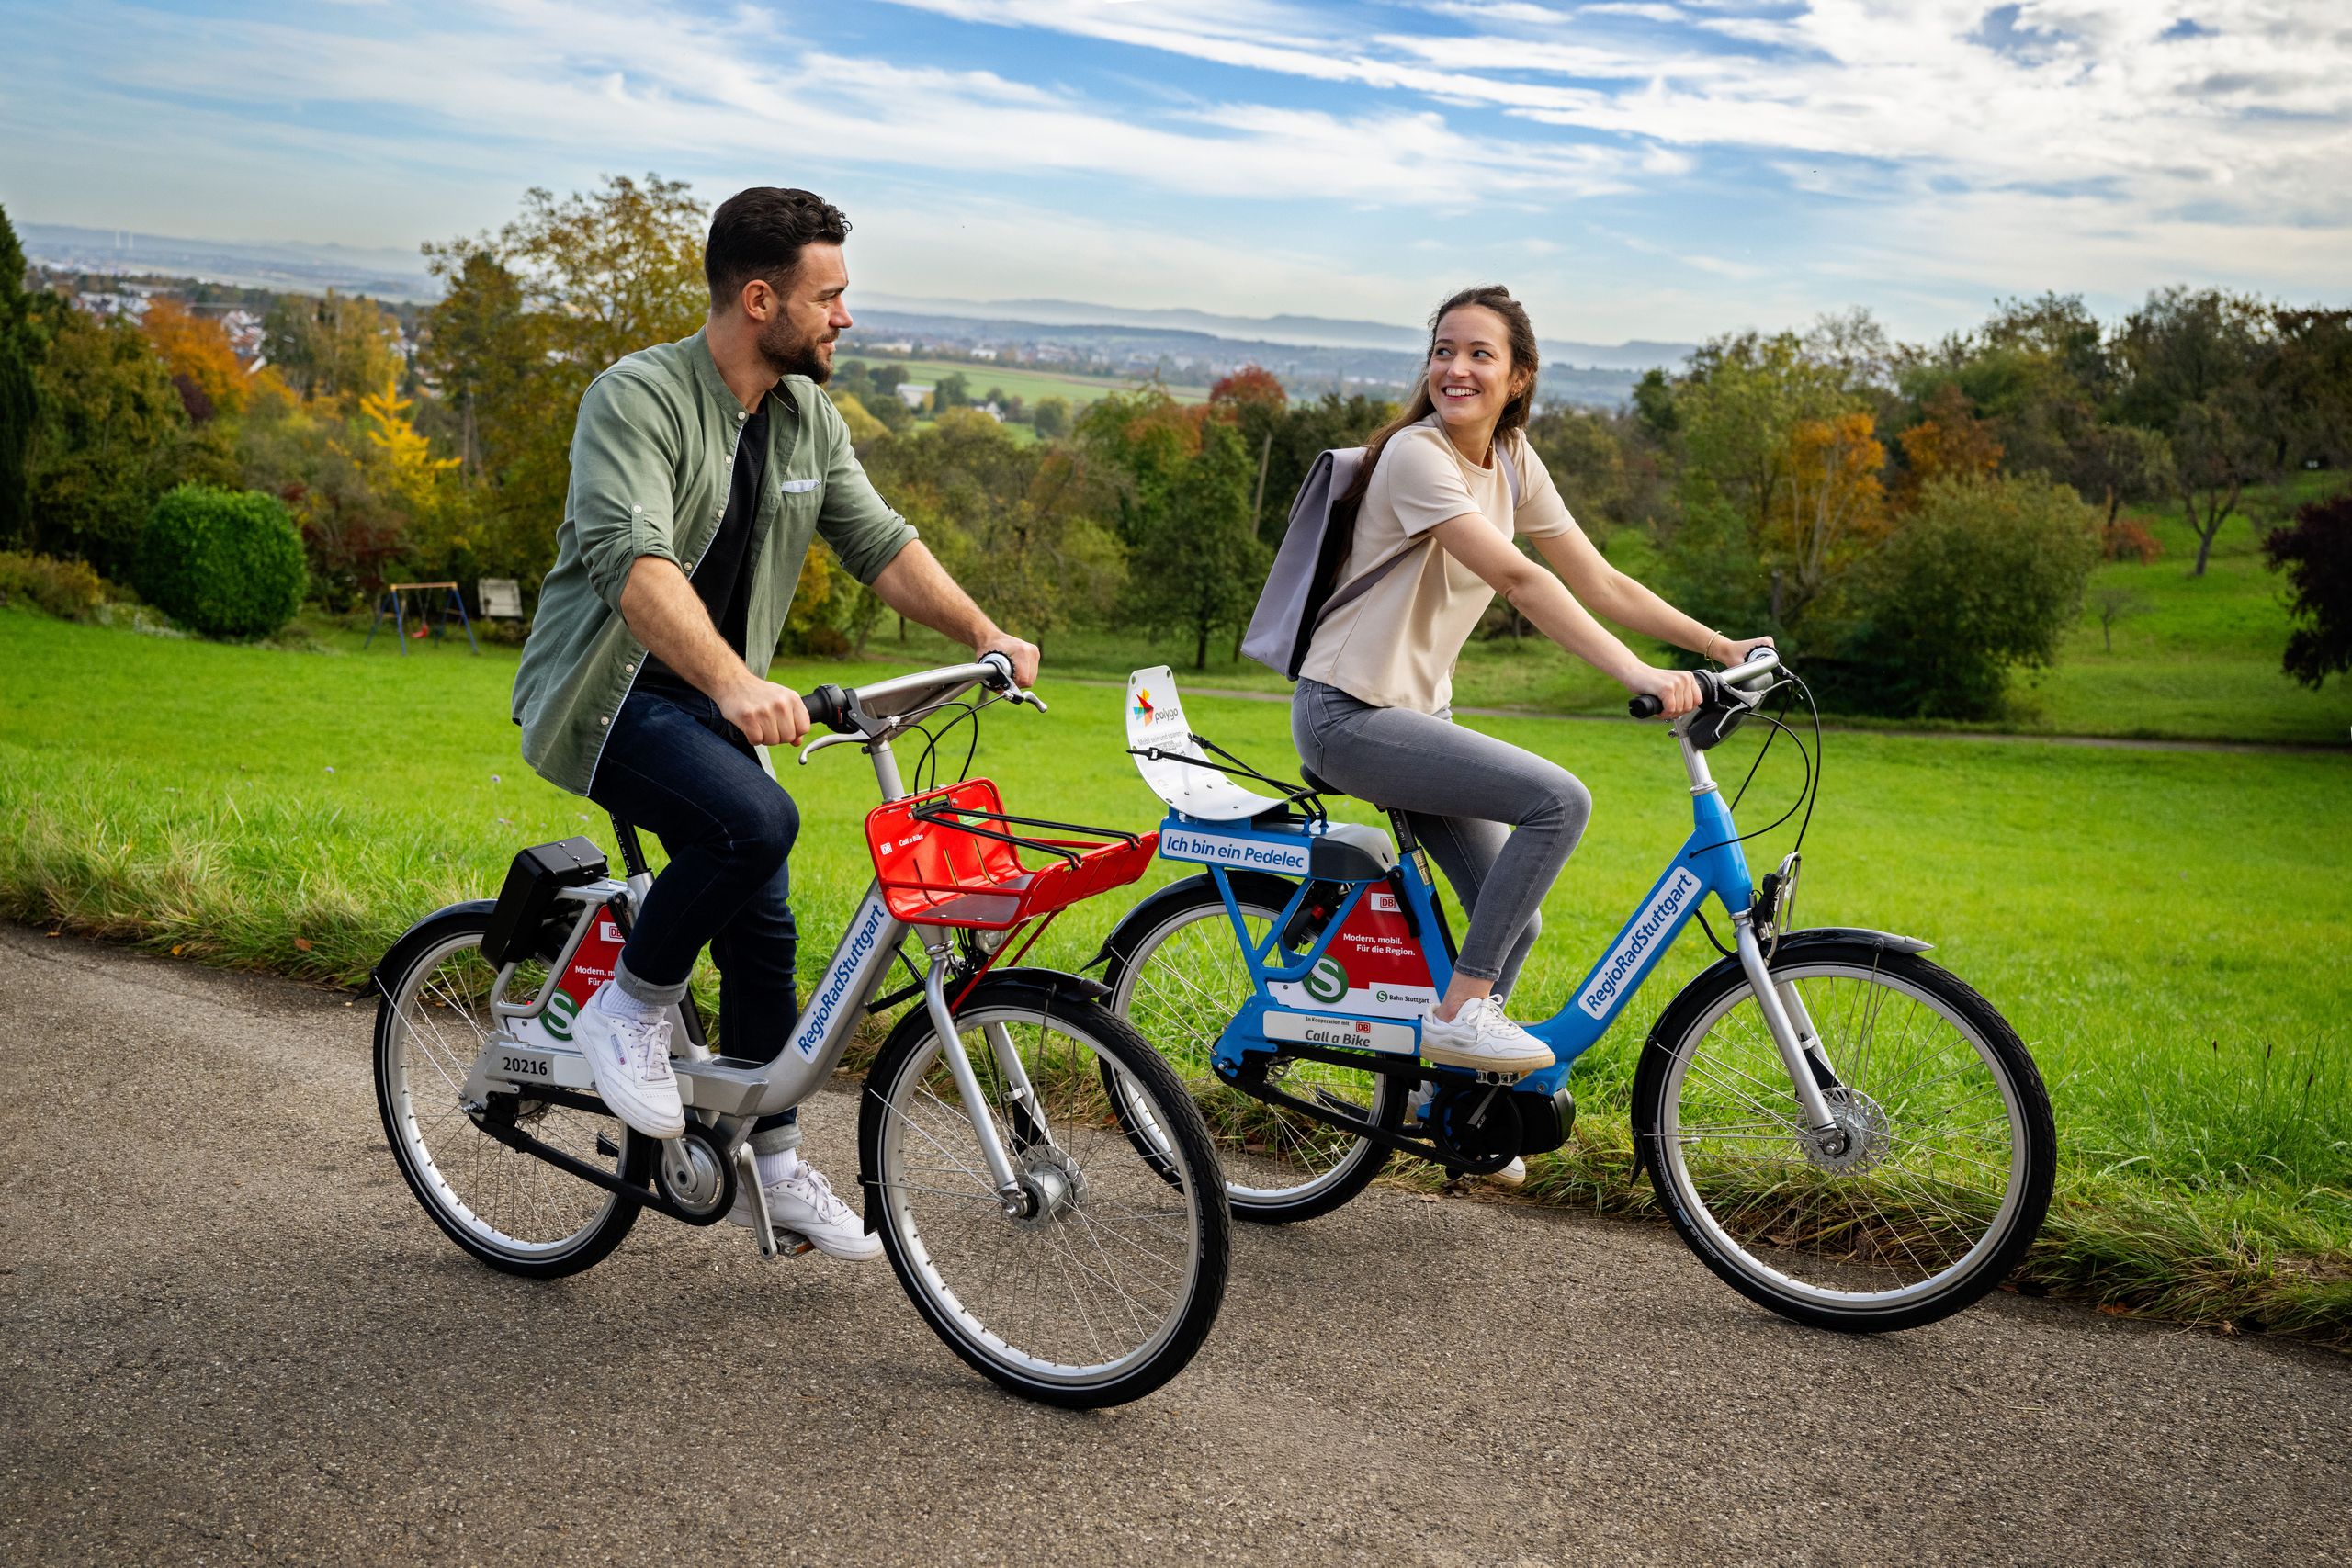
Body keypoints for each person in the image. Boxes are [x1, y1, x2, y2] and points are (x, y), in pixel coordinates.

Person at [511, 187, 1039, 1258]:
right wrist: (733, 682)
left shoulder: (804, 417)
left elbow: (880, 544)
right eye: (829, 295)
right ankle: (629, 1005)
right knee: (755, 828)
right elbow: (634, 564)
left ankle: (771, 1163)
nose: (845, 317)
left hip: (708, 697)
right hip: (610, 695)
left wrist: (987, 630)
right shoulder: (637, 398)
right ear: (761, 300)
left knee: (768, 925)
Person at [1291, 284, 1770, 1176]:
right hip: (1347, 715)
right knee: (1557, 801)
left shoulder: (1510, 459)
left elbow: (1595, 576)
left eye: (1479, 354)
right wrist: (1635, 673)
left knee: (1519, 921)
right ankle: (1460, 1017)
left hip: (1408, 716)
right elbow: (1521, 581)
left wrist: (1714, 646)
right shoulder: (1415, 458)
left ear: (1517, 378)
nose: (1455, 369)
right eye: (1442, 350)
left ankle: (1453, 1106)